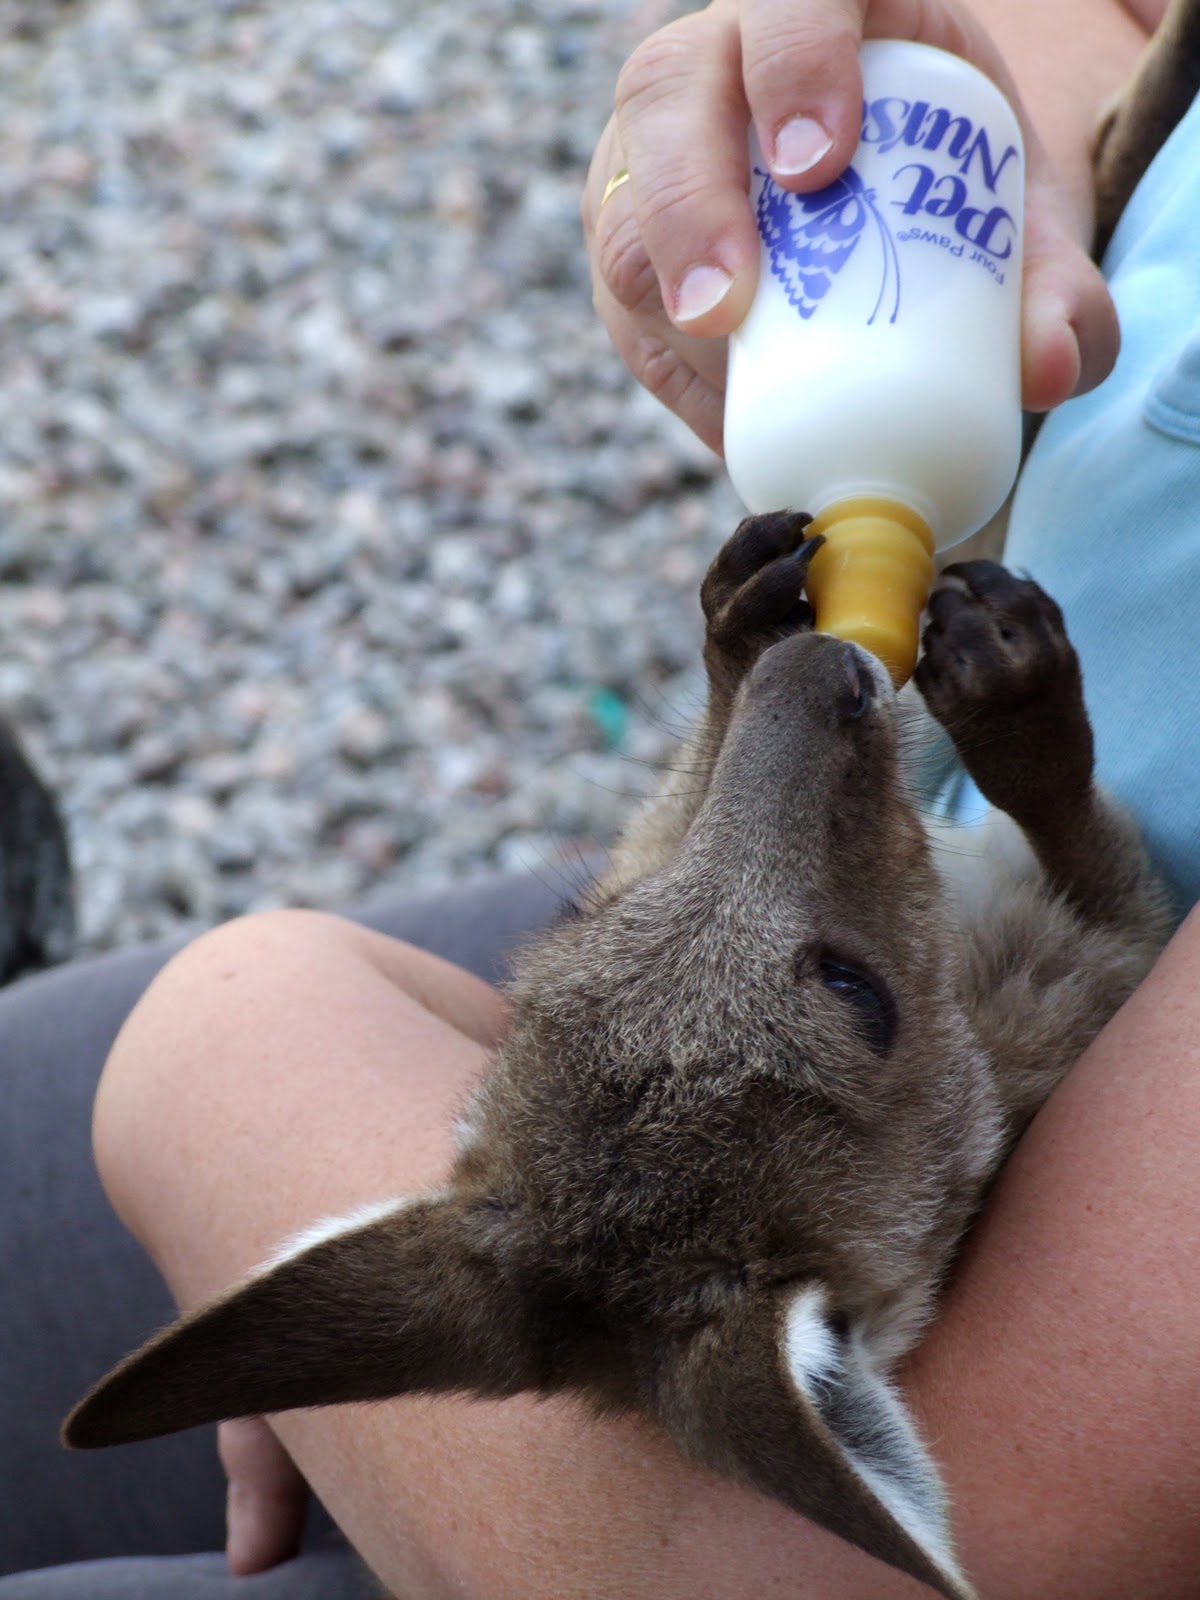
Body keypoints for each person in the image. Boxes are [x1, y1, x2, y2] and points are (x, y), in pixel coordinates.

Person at [5, 1, 1200, 1596]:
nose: (785, 698)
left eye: (844, 993)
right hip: (891, 880)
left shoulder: (851, 1190)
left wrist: (222, 1037)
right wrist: (921, 126)